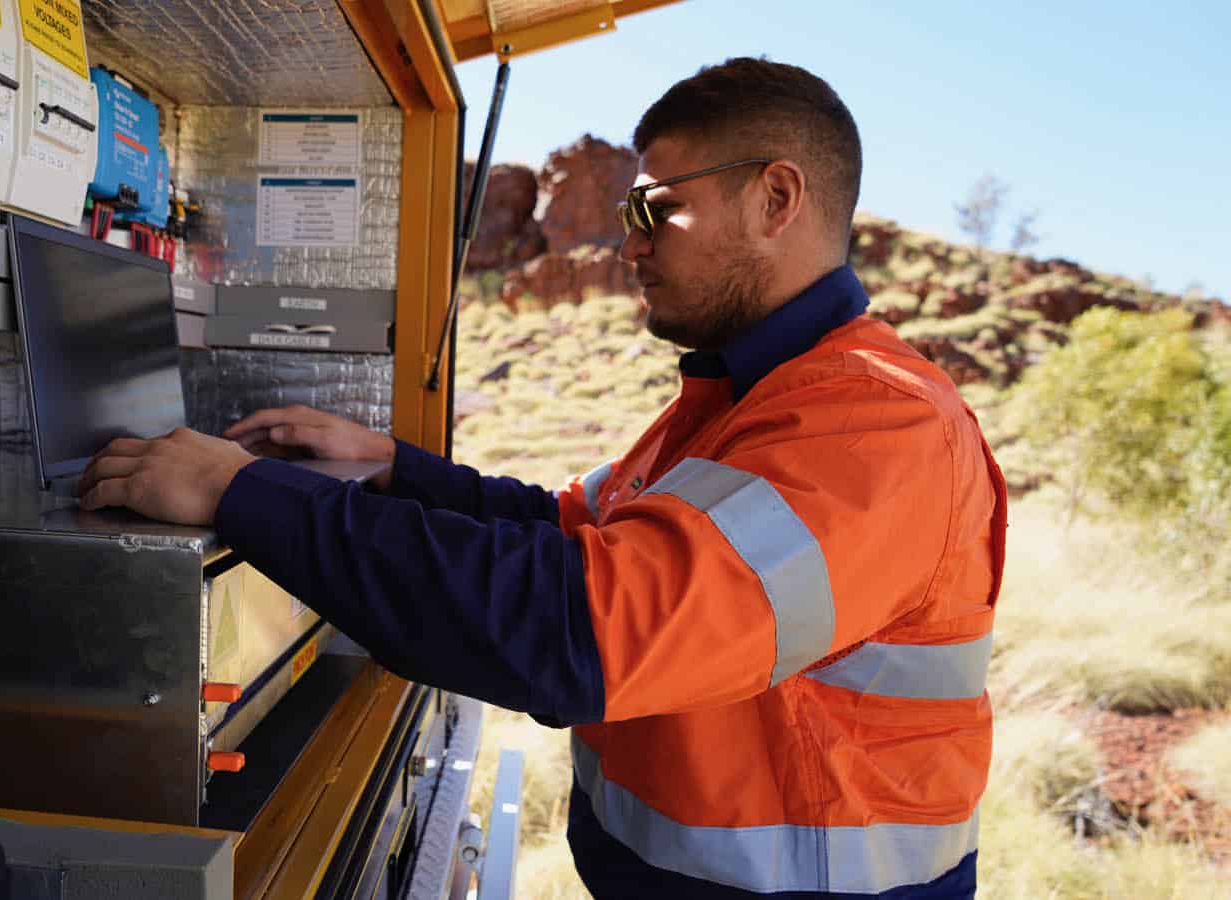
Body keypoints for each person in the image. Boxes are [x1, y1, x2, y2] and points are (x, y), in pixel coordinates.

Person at [75, 57, 1006, 898]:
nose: (629, 245)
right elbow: (564, 531)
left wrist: (240, 492)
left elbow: (577, 628)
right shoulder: (734, 405)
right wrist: (395, 468)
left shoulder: (874, 423)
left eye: (653, 208)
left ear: (775, 199)